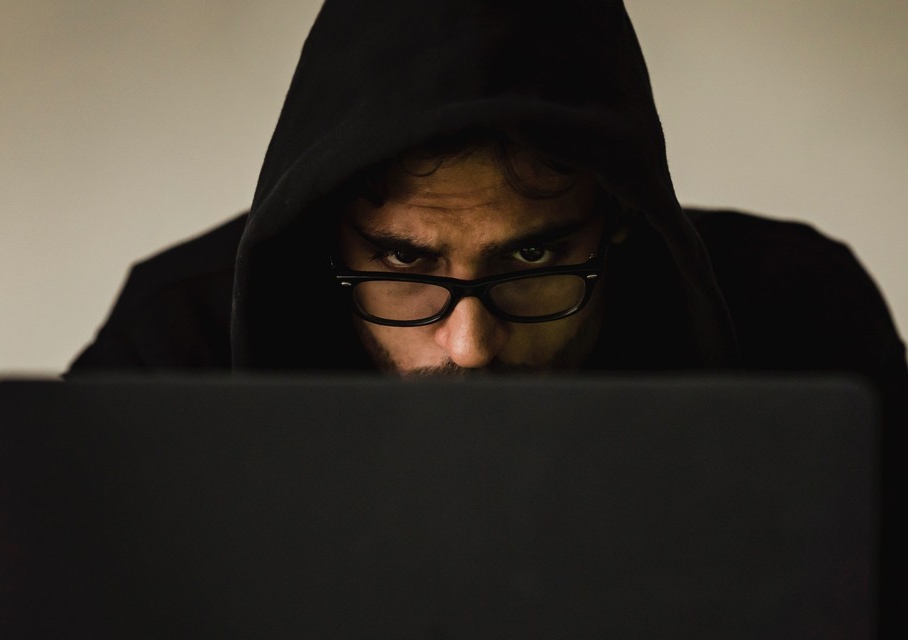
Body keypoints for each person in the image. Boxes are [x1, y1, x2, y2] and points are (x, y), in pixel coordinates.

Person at [65, 0, 905, 632]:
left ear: (619, 215)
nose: (469, 345)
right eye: (404, 262)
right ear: (325, 231)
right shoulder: (174, 351)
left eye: (533, 259)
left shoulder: (799, 320)